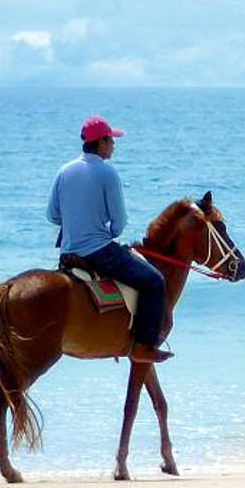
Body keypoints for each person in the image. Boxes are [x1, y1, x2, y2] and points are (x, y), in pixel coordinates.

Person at [47, 115, 172, 364]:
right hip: (99, 251)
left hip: (68, 253)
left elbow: (52, 215)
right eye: (111, 140)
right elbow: (119, 224)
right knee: (155, 282)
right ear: (101, 143)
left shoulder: (64, 171)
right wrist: (108, 230)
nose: (114, 145)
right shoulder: (107, 172)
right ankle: (144, 346)